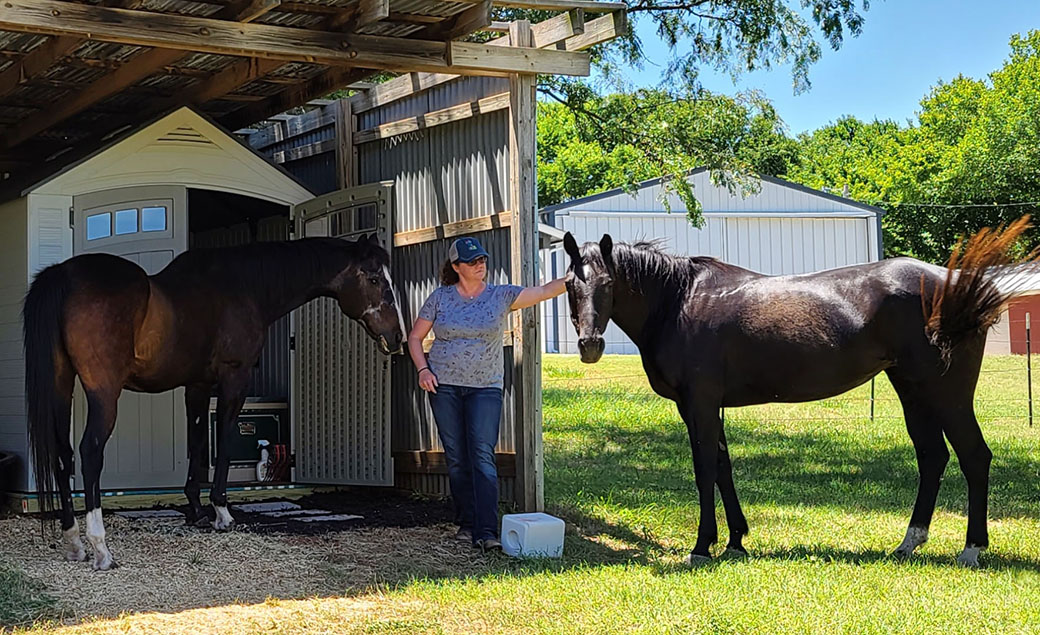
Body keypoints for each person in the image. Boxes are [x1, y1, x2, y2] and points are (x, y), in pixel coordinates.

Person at [408, 236, 567, 551]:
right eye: (472, 261)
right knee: (456, 458)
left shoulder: (501, 295)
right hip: (444, 387)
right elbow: (415, 338)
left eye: (482, 259)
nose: (480, 265)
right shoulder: (440, 298)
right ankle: (466, 525)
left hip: (486, 388)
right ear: (456, 267)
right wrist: (423, 370)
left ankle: (486, 531)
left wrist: (577, 277)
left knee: (482, 455)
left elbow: (545, 291)